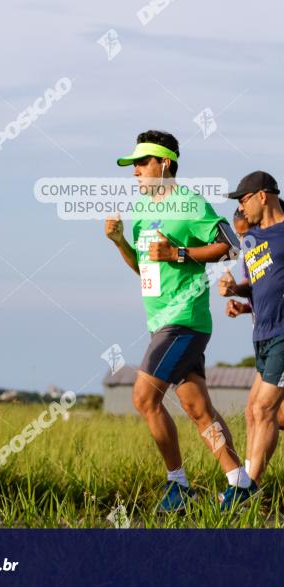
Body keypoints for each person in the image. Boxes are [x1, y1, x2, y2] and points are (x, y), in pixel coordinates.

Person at [105, 129, 248, 512]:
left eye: (141, 163)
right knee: (199, 410)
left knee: (143, 397)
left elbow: (231, 246)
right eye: (131, 165)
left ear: (164, 163)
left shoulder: (189, 203)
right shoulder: (143, 212)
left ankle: (178, 485)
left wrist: (180, 254)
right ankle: (239, 481)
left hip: (184, 320)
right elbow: (143, 268)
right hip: (160, 321)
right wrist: (120, 241)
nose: (135, 171)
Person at [221, 171, 284, 508]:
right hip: (263, 336)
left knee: (264, 408)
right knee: (253, 412)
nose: (241, 209)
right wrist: (237, 293)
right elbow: (262, 284)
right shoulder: (254, 239)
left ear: (263, 196)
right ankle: (247, 485)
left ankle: (247, 491)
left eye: (243, 200)